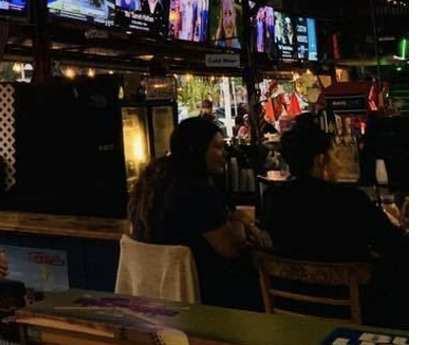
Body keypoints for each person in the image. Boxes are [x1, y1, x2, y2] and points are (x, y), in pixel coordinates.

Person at [264, 116, 407, 326]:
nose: (338, 161)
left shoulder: (274, 199)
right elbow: (393, 244)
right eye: (334, 154)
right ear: (321, 159)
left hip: (292, 305)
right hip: (356, 308)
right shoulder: (350, 200)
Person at [128, 117, 261, 309]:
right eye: (216, 147)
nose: (223, 154)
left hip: (157, 292)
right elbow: (232, 248)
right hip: (200, 295)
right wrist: (241, 219)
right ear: (196, 150)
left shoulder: (154, 181)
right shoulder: (195, 190)